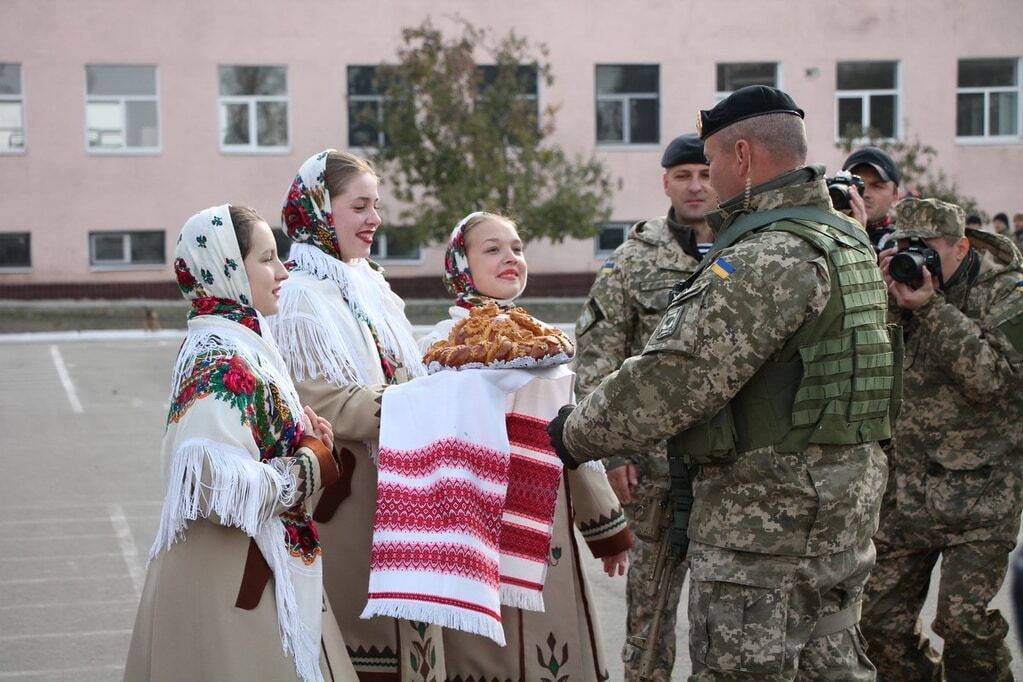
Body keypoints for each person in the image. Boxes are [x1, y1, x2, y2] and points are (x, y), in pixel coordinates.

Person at [547, 85, 899, 680]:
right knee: (831, 666)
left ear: (742, 156)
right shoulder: (847, 240)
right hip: (841, 513)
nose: (706, 181)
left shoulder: (770, 254)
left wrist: (575, 434)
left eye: (710, 165)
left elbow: (674, 377)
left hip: (765, 528)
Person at [124, 205, 356, 681]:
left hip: (250, 569)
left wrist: (306, 439)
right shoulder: (220, 359)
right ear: (227, 269)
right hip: (228, 583)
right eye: (267, 259)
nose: (283, 271)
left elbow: (252, 447)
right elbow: (211, 483)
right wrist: (308, 465)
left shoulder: (242, 341)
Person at [418, 211, 632, 681]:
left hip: (542, 519)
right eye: (492, 249)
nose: (510, 258)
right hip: (474, 522)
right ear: (461, 263)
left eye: (516, 247)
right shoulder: (442, 345)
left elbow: (567, 436)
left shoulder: (542, 342)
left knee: (547, 646)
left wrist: (605, 528)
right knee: (484, 655)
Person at [267, 150, 441, 681]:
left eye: (377, 205)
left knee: (410, 636)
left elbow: (400, 370)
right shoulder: (300, 296)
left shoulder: (366, 283)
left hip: (399, 488)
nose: (375, 220)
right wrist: (419, 403)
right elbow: (322, 401)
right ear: (320, 209)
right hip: (349, 502)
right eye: (360, 206)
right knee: (364, 647)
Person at [861, 198, 1023, 681]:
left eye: (927, 249)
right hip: (905, 495)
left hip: (981, 495)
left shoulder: (1007, 293)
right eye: (906, 247)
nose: (917, 259)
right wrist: (882, 292)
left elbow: (993, 380)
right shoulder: (895, 289)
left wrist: (931, 308)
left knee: (963, 625)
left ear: (961, 246)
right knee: (876, 625)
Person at [574, 133, 714, 682]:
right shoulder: (635, 259)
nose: (696, 186)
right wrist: (611, 452)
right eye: (683, 176)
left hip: (736, 473)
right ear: (666, 183)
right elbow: (599, 356)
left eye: (704, 173)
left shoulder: (752, 251)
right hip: (654, 469)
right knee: (648, 618)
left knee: (728, 620)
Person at [842, 146, 901, 249]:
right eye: (856, 185)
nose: (865, 194)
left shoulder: (900, 244)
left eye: (877, 186)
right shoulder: (825, 233)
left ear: (895, 196)